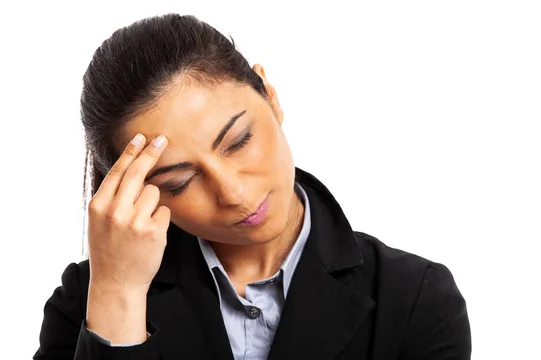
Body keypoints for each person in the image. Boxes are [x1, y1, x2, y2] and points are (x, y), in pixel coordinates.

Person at [34, 13, 471, 360]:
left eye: (239, 141)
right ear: (131, 191)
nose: (233, 194)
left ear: (270, 97)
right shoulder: (89, 300)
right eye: (181, 182)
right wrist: (120, 296)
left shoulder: (415, 298)